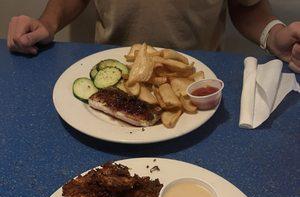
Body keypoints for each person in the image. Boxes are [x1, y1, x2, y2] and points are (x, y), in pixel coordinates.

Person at [7, 0, 300, 72]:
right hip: (112, 75)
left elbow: (246, 7)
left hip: (194, 82)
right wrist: (47, 23)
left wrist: (272, 36)